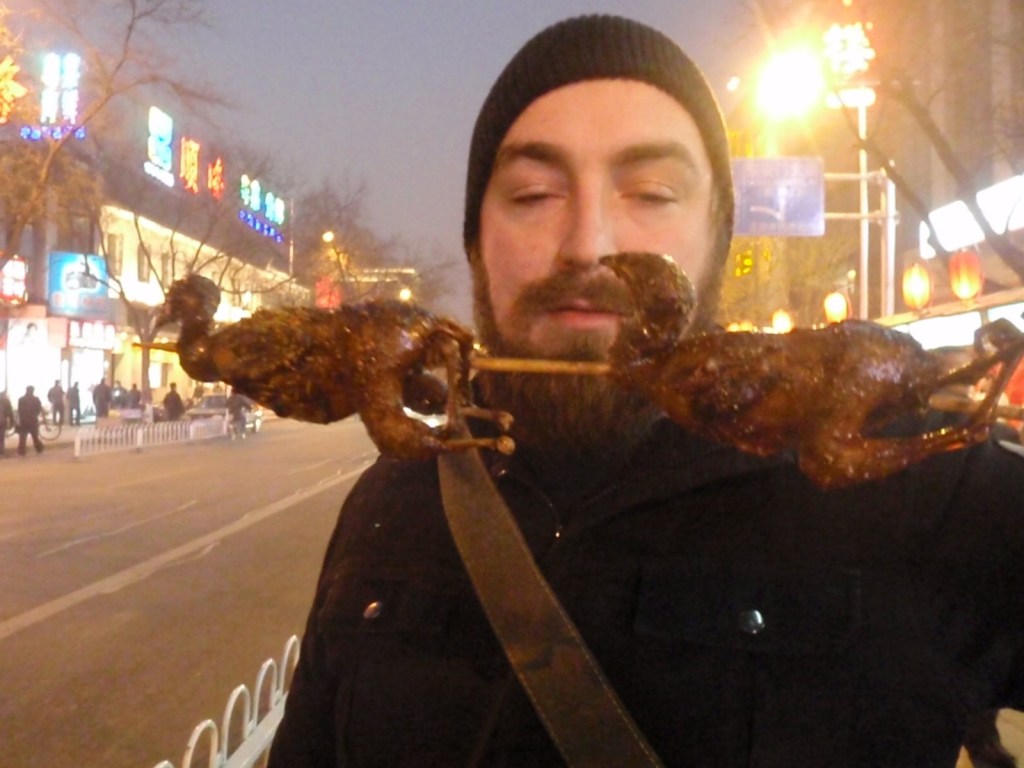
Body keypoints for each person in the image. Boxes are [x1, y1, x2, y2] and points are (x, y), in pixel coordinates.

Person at [268, 15, 1024, 768]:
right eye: (533, 194)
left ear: (717, 239)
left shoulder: (927, 490)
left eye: (653, 193)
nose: (588, 243)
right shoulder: (391, 501)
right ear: (476, 243)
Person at [16, 385, 44, 456]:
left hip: (23, 421)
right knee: (35, 436)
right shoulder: (36, 399)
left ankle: (21, 451)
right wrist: (35, 414)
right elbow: (39, 409)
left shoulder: (21, 399)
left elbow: (19, 410)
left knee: (22, 437)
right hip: (33, 420)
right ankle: (39, 449)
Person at [0, 390, 14, 458]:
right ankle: (1, 453)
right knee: (1, 438)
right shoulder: (6, 401)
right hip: (2, 421)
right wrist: (11, 422)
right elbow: (10, 412)